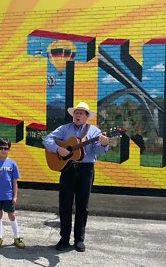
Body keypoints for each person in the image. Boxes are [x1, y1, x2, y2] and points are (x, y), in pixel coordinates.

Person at [43, 102, 109, 252]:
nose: (78, 115)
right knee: (65, 205)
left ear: (86, 116)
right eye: (76, 113)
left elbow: (98, 150)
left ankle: (79, 239)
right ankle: (64, 238)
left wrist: (104, 144)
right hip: (67, 170)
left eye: (81, 113)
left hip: (86, 170)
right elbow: (46, 139)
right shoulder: (64, 129)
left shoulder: (94, 131)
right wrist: (58, 148)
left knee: (82, 206)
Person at [0, 138, 25, 249]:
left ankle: (17, 237)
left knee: (11, 215)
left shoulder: (12, 164)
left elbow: (15, 182)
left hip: (8, 195)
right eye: (1, 148)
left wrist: (15, 196)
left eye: (6, 148)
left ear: (9, 149)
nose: (3, 150)